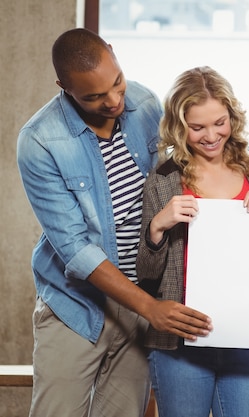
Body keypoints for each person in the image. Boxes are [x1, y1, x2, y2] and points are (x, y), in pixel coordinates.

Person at [16, 28, 211, 417]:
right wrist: (151, 308)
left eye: (117, 83)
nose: (114, 101)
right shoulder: (40, 141)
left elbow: (179, 177)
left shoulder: (144, 103)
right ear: (64, 87)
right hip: (77, 307)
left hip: (140, 302)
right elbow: (75, 249)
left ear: (112, 52)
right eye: (94, 96)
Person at [135, 66, 249, 417]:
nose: (211, 135)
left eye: (220, 123)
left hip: (242, 334)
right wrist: (157, 226)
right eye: (197, 127)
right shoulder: (163, 178)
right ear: (180, 127)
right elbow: (148, 276)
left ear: (233, 117)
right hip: (180, 337)